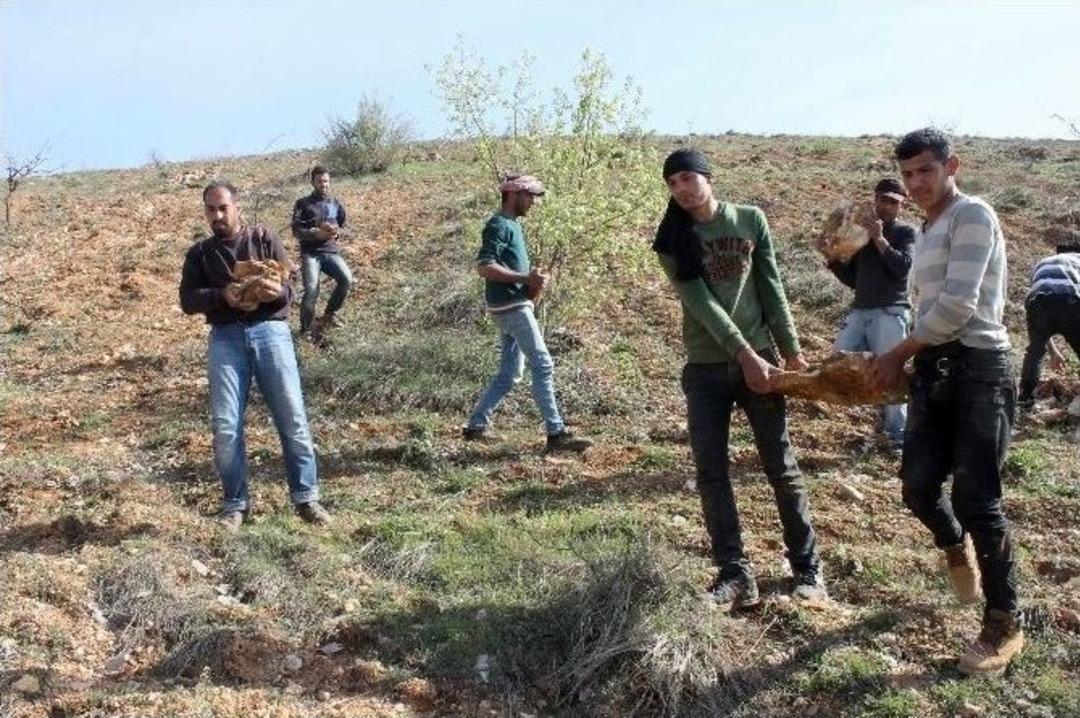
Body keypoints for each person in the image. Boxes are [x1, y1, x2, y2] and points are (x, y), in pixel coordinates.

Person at [871, 128, 1021, 676]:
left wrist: (898, 352)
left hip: (979, 368)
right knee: (916, 486)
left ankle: (1004, 622)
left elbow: (959, 306)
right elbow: (931, 309)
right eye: (907, 175)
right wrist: (913, 359)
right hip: (935, 370)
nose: (915, 184)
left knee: (979, 498)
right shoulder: (929, 228)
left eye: (924, 171)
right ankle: (955, 545)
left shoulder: (971, 214)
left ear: (951, 164)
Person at [654, 148, 827, 611]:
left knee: (781, 467)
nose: (681, 189)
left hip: (763, 363)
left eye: (687, 178)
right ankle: (735, 574)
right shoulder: (672, 238)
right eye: (672, 184)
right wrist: (745, 354)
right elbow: (701, 305)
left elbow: (771, 286)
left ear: (708, 177)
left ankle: (807, 570)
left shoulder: (750, 220)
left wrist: (790, 352)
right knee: (712, 474)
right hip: (707, 368)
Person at [180, 181, 331, 528]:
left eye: (223, 208)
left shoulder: (263, 239)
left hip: (271, 332)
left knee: (292, 418)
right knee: (225, 426)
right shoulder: (201, 254)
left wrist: (275, 291)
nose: (217, 215)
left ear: (237, 207)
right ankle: (235, 505)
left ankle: (306, 498)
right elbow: (187, 300)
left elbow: (290, 290)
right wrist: (223, 296)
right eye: (211, 209)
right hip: (225, 338)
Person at [463, 173, 592, 453]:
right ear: (513, 194)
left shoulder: (513, 226)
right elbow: (484, 267)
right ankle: (556, 434)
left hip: (510, 306)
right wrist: (525, 277)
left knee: (509, 374)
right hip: (510, 308)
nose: (533, 201)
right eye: (530, 195)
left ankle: (475, 427)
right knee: (543, 364)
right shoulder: (499, 224)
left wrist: (532, 284)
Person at [826, 178, 916, 452]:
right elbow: (856, 280)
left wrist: (879, 238)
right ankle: (879, 413)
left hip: (890, 312)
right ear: (874, 200)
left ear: (902, 204)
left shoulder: (904, 232)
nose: (886, 206)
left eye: (893, 202)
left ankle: (897, 435)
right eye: (882, 200)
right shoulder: (861, 235)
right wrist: (833, 264)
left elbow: (902, 267)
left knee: (891, 373)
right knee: (839, 358)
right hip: (861, 311)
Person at [291, 165, 354, 334]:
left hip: (330, 251)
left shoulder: (335, 204)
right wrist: (314, 233)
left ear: (329, 182)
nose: (323, 184)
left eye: (326, 181)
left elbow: (343, 226)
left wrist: (336, 232)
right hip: (310, 254)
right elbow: (296, 231)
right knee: (312, 290)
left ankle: (329, 314)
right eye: (319, 181)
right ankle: (306, 330)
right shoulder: (303, 204)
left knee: (346, 279)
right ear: (312, 182)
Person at [1017, 244, 1080, 409]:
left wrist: (1053, 352)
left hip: (1037, 302)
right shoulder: (1078, 261)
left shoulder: (1043, 262)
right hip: (1069, 301)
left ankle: (1025, 398)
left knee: (1035, 352)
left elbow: (1038, 298)